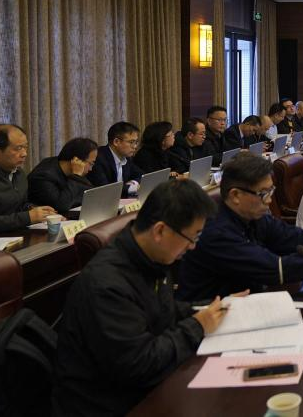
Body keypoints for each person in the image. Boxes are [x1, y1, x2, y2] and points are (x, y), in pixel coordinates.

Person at [52, 179, 227, 417]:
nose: (192, 247)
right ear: (160, 231)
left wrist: (212, 309)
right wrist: (198, 326)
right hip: (109, 404)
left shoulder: (150, 256)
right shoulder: (106, 284)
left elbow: (161, 312)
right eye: (192, 238)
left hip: (142, 389)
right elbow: (139, 365)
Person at [176, 152, 303, 301]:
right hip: (210, 320)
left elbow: (296, 238)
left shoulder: (254, 216)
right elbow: (273, 268)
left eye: (271, 191)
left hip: (250, 302)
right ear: (235, 195)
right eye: (263, 193)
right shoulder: (216, 232)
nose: (269, 200)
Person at [0, 125, 54, 231]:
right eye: (18, 148)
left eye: (25, 147)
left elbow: (19, 205)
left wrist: (34, 210)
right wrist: (28, 217)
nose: (24, 154)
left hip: (19, 234)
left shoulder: (19, 173)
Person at [28, 137, 98, 210]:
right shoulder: (43, 176)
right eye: (91, 164)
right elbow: (62, 205)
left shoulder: (71, 170)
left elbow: (91, 194)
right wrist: (76, 176)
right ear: (77, 160)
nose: (90, 169)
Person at [88, 122, 143, 198]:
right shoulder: (98, 158)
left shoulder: (126, 157)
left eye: (136, 142)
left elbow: (141, 175)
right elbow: (105, 189)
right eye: (131, 142)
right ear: (116, 142)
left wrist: (134, 182)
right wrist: (130, 188)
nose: (135, 146)